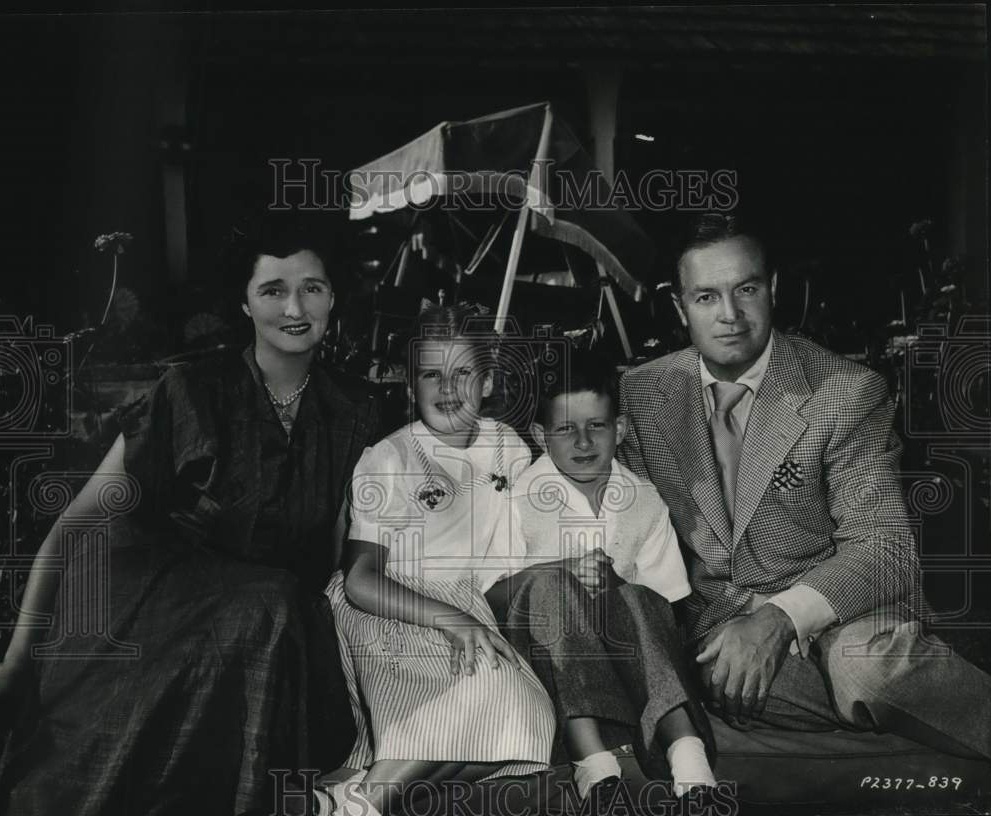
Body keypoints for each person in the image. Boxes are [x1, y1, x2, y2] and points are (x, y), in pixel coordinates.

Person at [0, 211, 380, 815]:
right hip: (148, 606)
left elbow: (340, 552)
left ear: (334, 298)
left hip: (264, 627)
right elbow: (76, 525)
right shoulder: (190, 391)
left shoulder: (355, 410)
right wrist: (16, 663)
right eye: (272, 289)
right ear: (245, 305)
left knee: (277, 605)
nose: (295, 306)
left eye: (313, 287)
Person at [618, 212, 991, 760]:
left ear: (773, 289)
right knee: (712, 682)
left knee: (866, 672)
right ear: (679, 308)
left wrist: (778, 619)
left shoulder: (844, 391)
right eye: (705, 297)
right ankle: (895, 728)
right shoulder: (641, 396)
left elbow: (885, 548)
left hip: (842, 611)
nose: (729, 315)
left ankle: (885, 708)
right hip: (715, 629)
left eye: (746, 289)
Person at [322, 304, 554, 816]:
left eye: (463, 373)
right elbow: (360, 579)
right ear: (410, 385)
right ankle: (366, 803)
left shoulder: (508, 448)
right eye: (431, 373)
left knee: (530, 717)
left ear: (489, 383)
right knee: (476, 697)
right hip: (394, 606)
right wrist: (453, 620)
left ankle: (358, 789)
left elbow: (520, 543)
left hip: (467, 603)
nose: (447, 388)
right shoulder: (391, 457)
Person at [485, 350, 717, 812]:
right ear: (540, 435)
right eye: (566, 429)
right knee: (551, 587)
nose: (584, 442)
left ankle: (687, 756)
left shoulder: (645, 500)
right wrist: (559, 573)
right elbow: (491, 598)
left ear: (622, 429)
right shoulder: (516, 501)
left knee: (635, 594)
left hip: (630, 673)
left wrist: (610, 594)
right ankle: (594, 764)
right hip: (550, 668)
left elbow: (666, 607)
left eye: (598, 426)